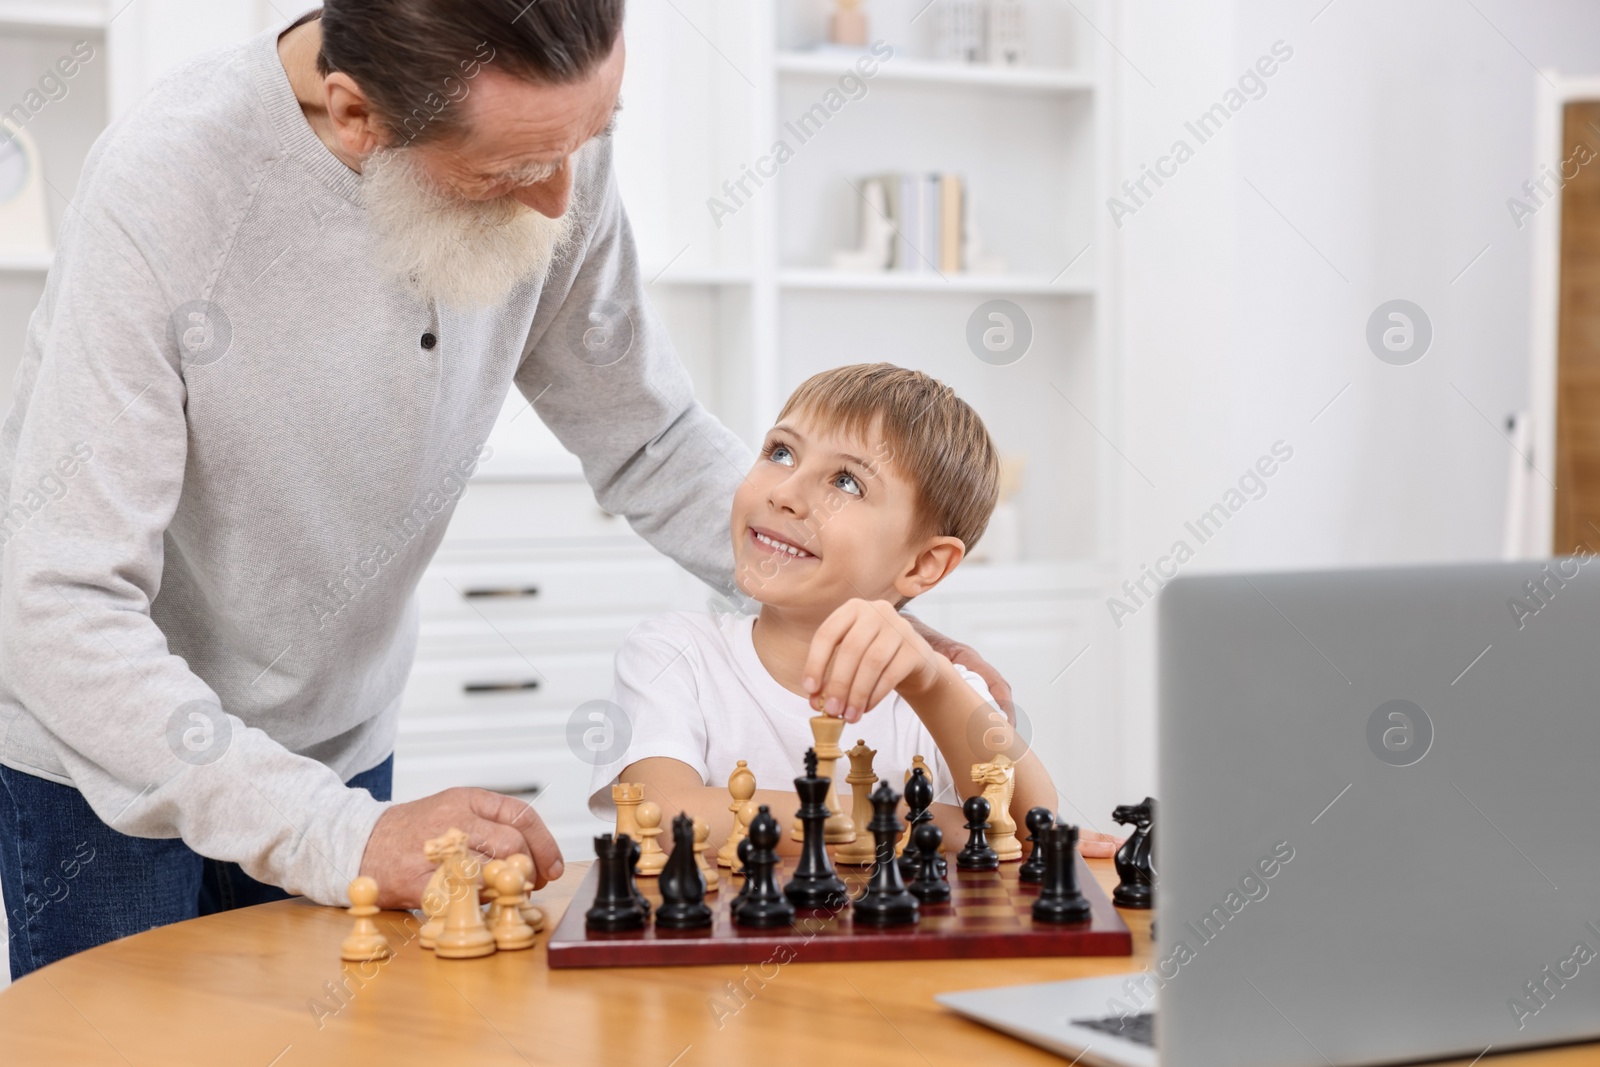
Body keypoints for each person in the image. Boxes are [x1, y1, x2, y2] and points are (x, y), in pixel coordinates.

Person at [0, 3, 1015, 980]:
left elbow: (651, 437)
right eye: (513, 168)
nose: (561, 201)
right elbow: (61, 603)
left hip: (339, 737)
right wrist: (335, 832)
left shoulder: (549, 136)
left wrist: (866, 612)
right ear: (359, 117)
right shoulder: (166, 184)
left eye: (592, 135)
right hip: (107, 762)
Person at [590, 365, 1118, 856]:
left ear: (926, 564)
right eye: (780, 453)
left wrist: (935, 683)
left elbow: (1030, 825)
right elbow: (658, 819)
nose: (786, 493)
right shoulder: (672, 652)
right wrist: (930, 822)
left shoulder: (934, 688)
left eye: (846, 482)